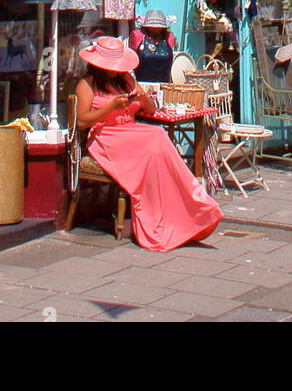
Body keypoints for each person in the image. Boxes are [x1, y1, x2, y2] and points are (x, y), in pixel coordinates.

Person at [74, 36, 223, 251]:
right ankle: (156, 212)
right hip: (106, 136)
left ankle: (187, 203)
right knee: (154, 139)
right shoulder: (87, 84)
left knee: (158, 136)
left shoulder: (126, 80)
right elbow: (82, 121)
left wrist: (142, 100)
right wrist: (112, 107)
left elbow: (151, 111)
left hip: (130, 132)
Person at [129, 9, 176, 84]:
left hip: (164, 84)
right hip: (141, 84)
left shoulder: (169, 37)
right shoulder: (137, 36)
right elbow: (130, 61)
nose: (155, 28)